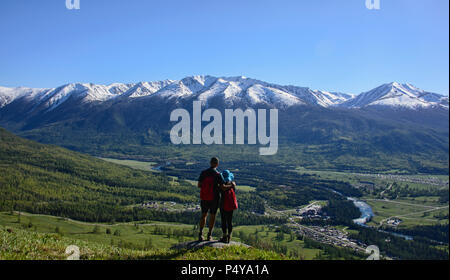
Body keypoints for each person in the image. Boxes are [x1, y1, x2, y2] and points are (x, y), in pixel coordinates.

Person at [197, 157, 224, 241]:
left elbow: (199, 185)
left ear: (210, 163)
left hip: (205, 198)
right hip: (214, 199)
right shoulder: (218, 174)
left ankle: (200, 234)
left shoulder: (203, 173)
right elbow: (223, 187)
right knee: (212, 216)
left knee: (204, 215)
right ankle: (209, 235)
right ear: (217, 164)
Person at [219, 170, 237, 243]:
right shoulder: (232, 184)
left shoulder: (222, 185)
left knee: (224, 220)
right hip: (230, 204)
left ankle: (224, 236)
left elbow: (221, 189)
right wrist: (232, 185)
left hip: (223, 204)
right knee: (229, 221)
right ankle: (229, 236)